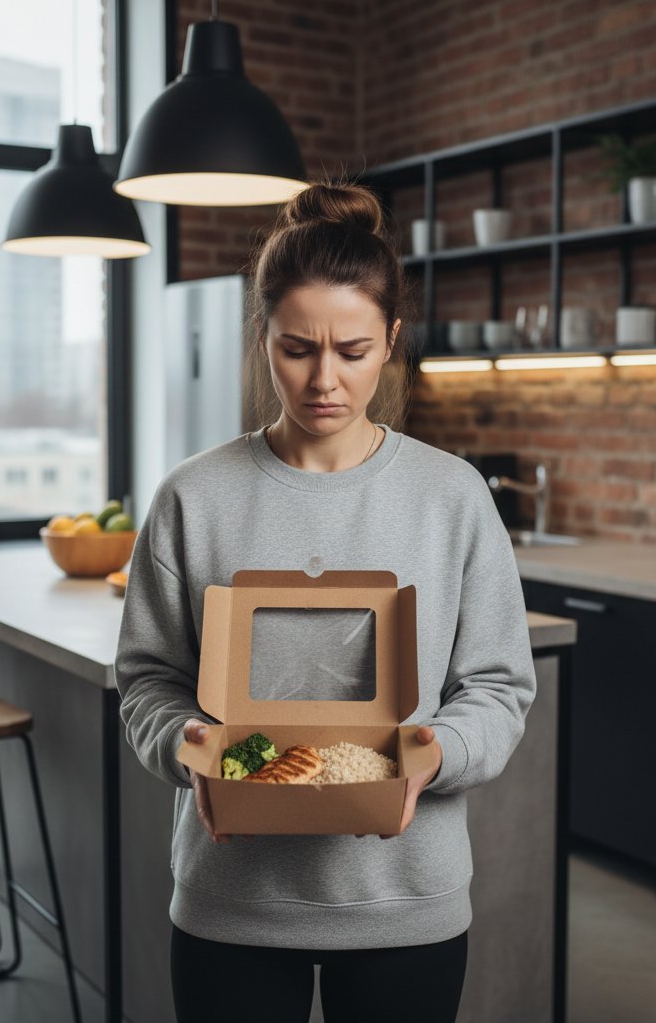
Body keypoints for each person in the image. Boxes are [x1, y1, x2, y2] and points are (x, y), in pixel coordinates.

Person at [114, 179, 537, 1023]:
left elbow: (498, 687)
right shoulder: (193, 497)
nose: (324, 380)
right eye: (297, 348)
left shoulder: (452, 496)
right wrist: (186, 742)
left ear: (392, 341)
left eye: (352, 349)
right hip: (232, 899)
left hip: (404, 900)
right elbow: (147, 681)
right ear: (262, 339)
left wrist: (436, 753)